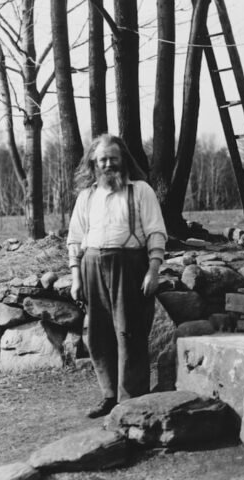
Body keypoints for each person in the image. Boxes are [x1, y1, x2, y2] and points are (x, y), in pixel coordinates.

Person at [67, 134, 168, 418]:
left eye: (113, 158)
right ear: (93, 164)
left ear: (123, 160)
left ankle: (132, 400)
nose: (108, 164)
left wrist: (153, 269)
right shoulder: (86, 197)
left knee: (129, 331)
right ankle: (110, 396)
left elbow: (156, 233)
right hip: (91, 266)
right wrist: (76, 277)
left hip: (130, 265)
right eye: (102, 160)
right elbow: (75, 239)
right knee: (98, 335)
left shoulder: (141, 191)